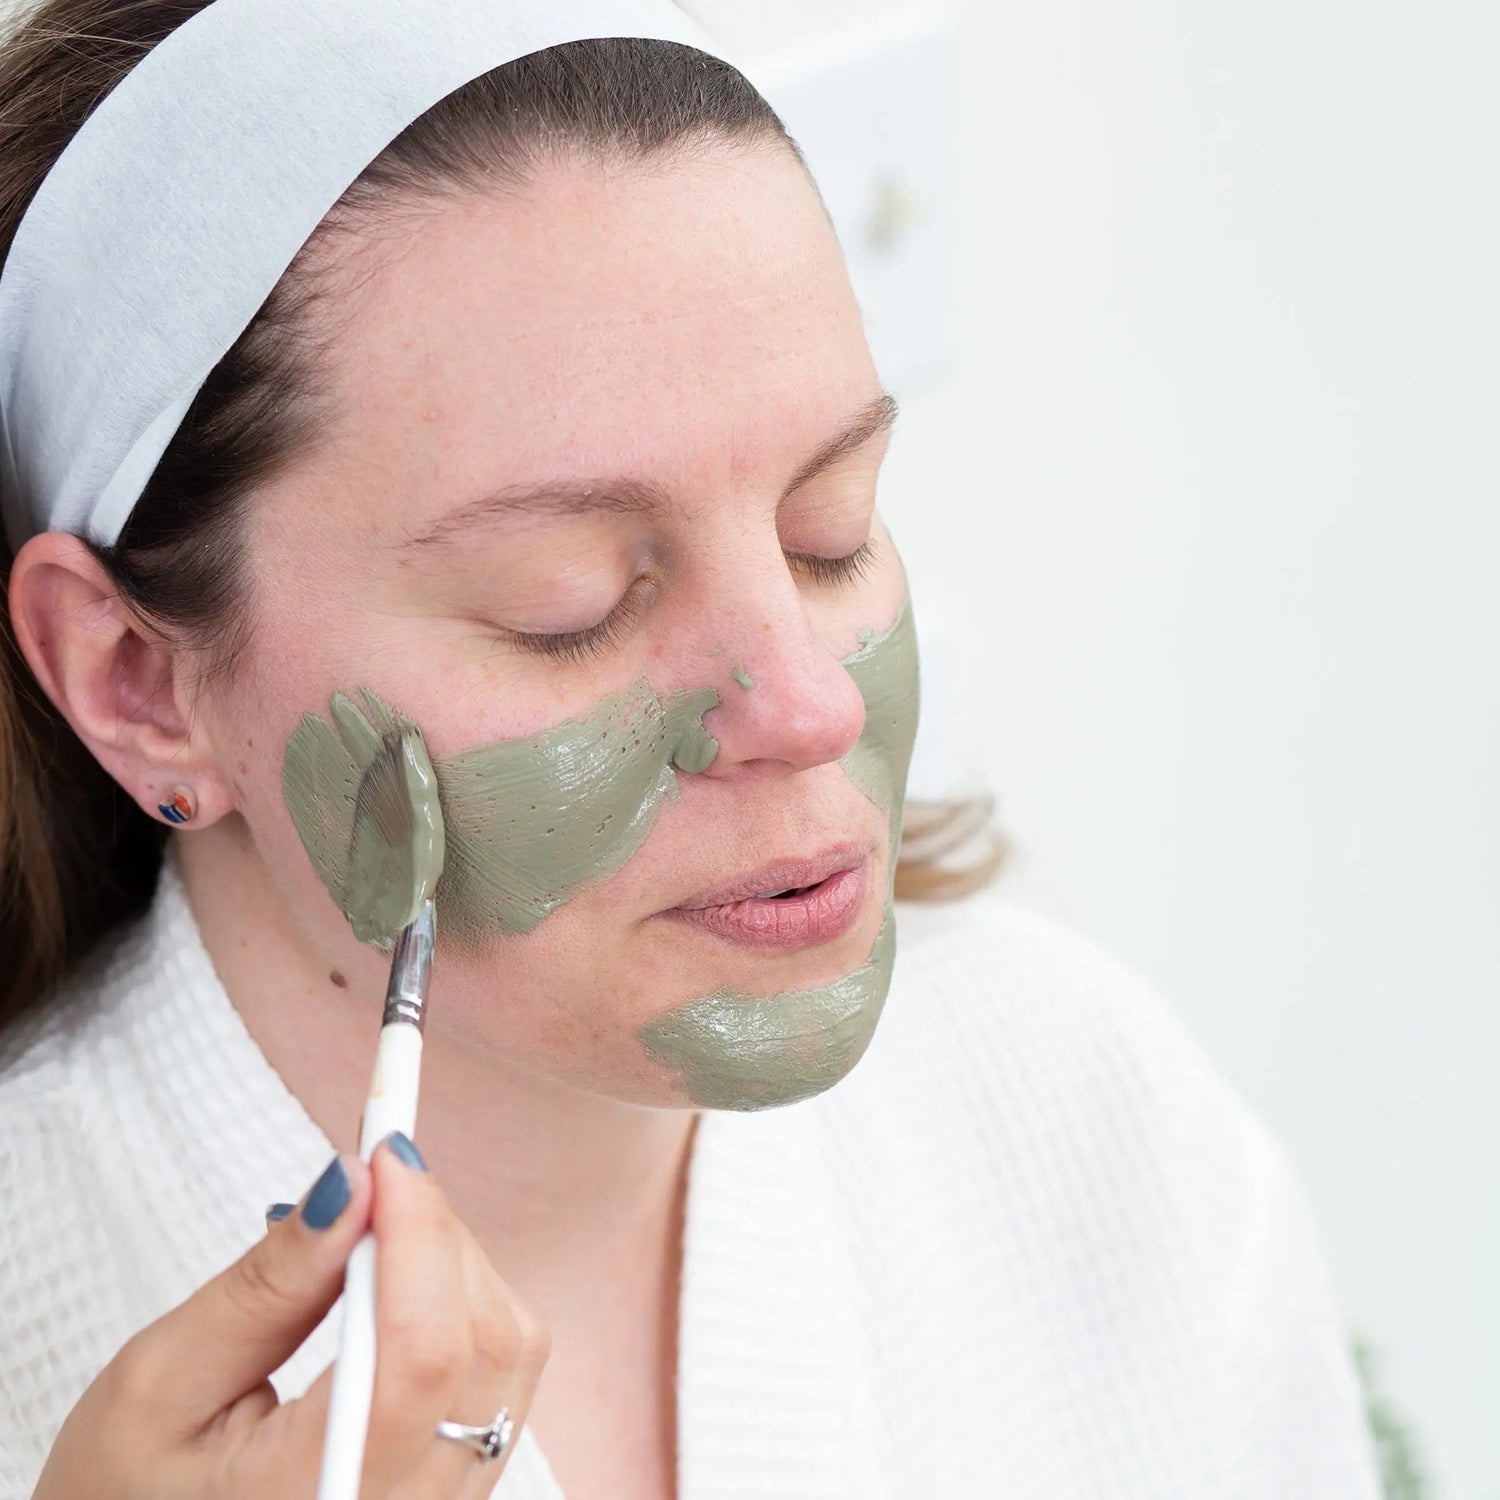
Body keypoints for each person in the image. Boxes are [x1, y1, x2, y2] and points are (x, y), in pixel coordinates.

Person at [0, 3, 1382, 1498]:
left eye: (829, 531)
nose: (811, 707)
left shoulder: (1082, 1117)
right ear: (136, 678)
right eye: (571, 608)